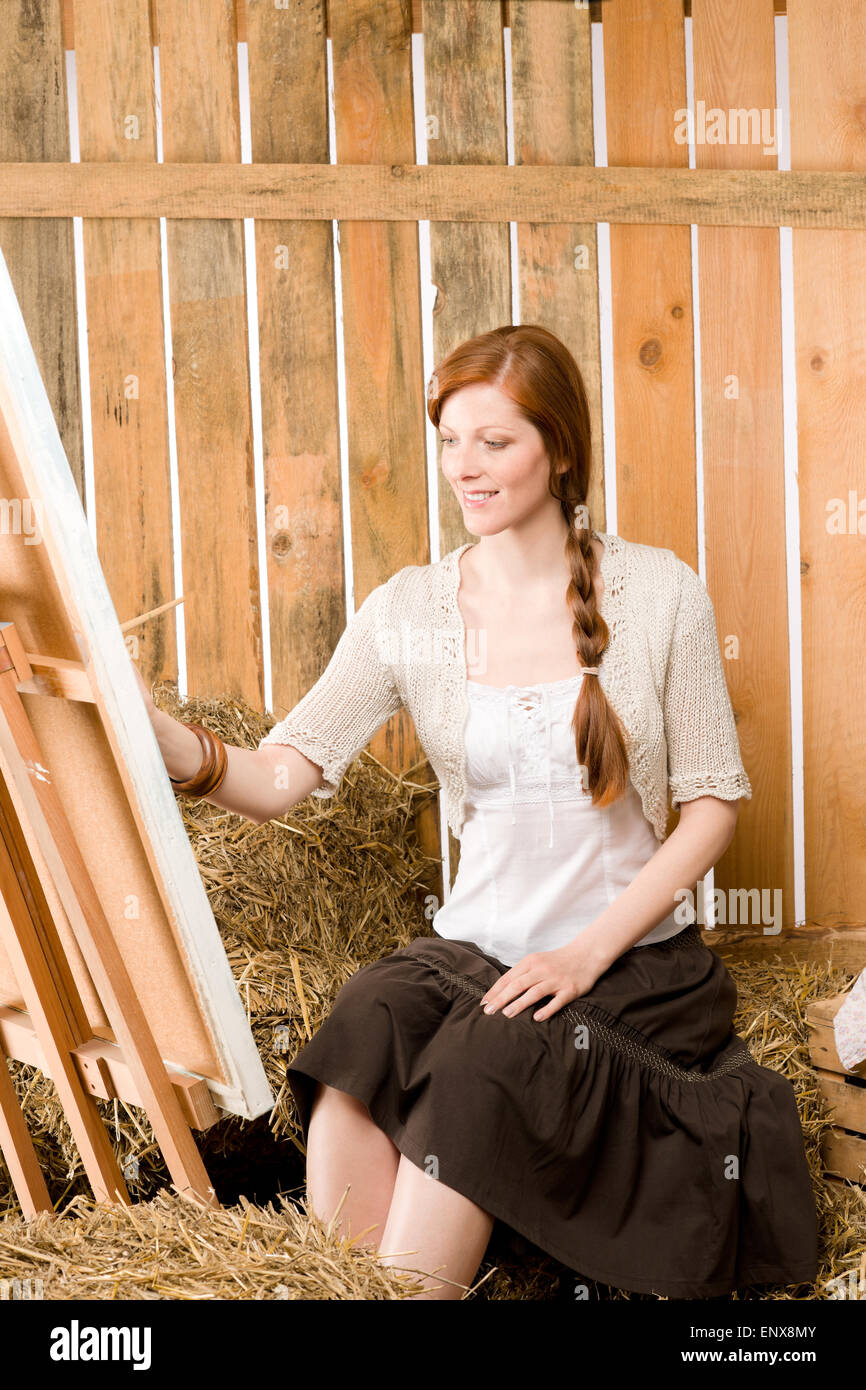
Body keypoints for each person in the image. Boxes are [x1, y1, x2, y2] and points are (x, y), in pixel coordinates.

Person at [133, 324, 819, 1302]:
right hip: (473, 946)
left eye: (493, 442)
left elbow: (711, 809)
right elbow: (281, 776)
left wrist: (582, 955)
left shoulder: (661, 594)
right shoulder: (408, 609)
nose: (465, 466)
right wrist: (161, 740)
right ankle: (360, 1291)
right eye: (450, 439)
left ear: (561, 449)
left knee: (479, 1064)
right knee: (365, 1018)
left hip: (626, 964)